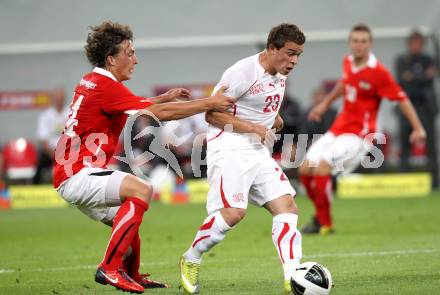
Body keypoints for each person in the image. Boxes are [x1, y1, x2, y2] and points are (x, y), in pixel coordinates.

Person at [53, 21, 234, 294]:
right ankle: (110, 268)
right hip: (77, 173)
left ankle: (132, 274)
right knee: (141, 189)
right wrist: (209, 103)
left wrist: (162, 97)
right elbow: (155, 115)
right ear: (111, 58)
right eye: (129, 53)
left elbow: (132, 104)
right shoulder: (105, 86)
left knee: (127, 220)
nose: (135, 60)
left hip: (72, 172)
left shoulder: (94, 80)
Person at [179, 23, 306, 294]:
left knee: (288, 208)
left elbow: (257, 105)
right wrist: (255, 128)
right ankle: (191, 257)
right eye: (290, 53)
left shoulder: (279, 72)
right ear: (272, 48)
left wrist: (274, 120)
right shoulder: (242, 72)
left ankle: (293, 277)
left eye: (299, 55)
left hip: (257, 150)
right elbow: (211, 115)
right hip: (229, 147)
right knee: (233, 213)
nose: (294, 61)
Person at [299, 24, 427, 235]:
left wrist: (418, 128)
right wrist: (324, 104)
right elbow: (343, 84)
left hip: (360, 136)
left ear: (370, 44)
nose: (359, 45)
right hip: (338, 129)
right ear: (350, 43)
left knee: (322, 166)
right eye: (355, 41)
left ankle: (325, 224)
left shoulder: (379, 73)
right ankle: (320, 217)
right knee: (305, 168)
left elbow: (402, 99)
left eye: (363, 41)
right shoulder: (348, 62)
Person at [395, 30, 439, 188]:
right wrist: (422, 77)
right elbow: (403, 79)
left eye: (418, 43)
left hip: (426, 107)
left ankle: (434, 182)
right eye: (412, 42)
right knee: (405, 144)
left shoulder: (429, 59)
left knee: (431, 144)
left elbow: (431, 76)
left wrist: (414, 77)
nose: (415, 46)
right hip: (407, 107)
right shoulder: (402, 60)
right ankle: (403, 181)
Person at [33, 89, 69, 184]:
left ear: (64, 98)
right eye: (57, 97)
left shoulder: (70, 114)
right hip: (49, 151)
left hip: (67, 151)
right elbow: (43, 138)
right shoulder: (45, 116)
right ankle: (34, 187)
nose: (59, 100)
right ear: (53, 99)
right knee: (40, 164)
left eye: (61, 97)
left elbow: (74, 135)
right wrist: (53, 153)